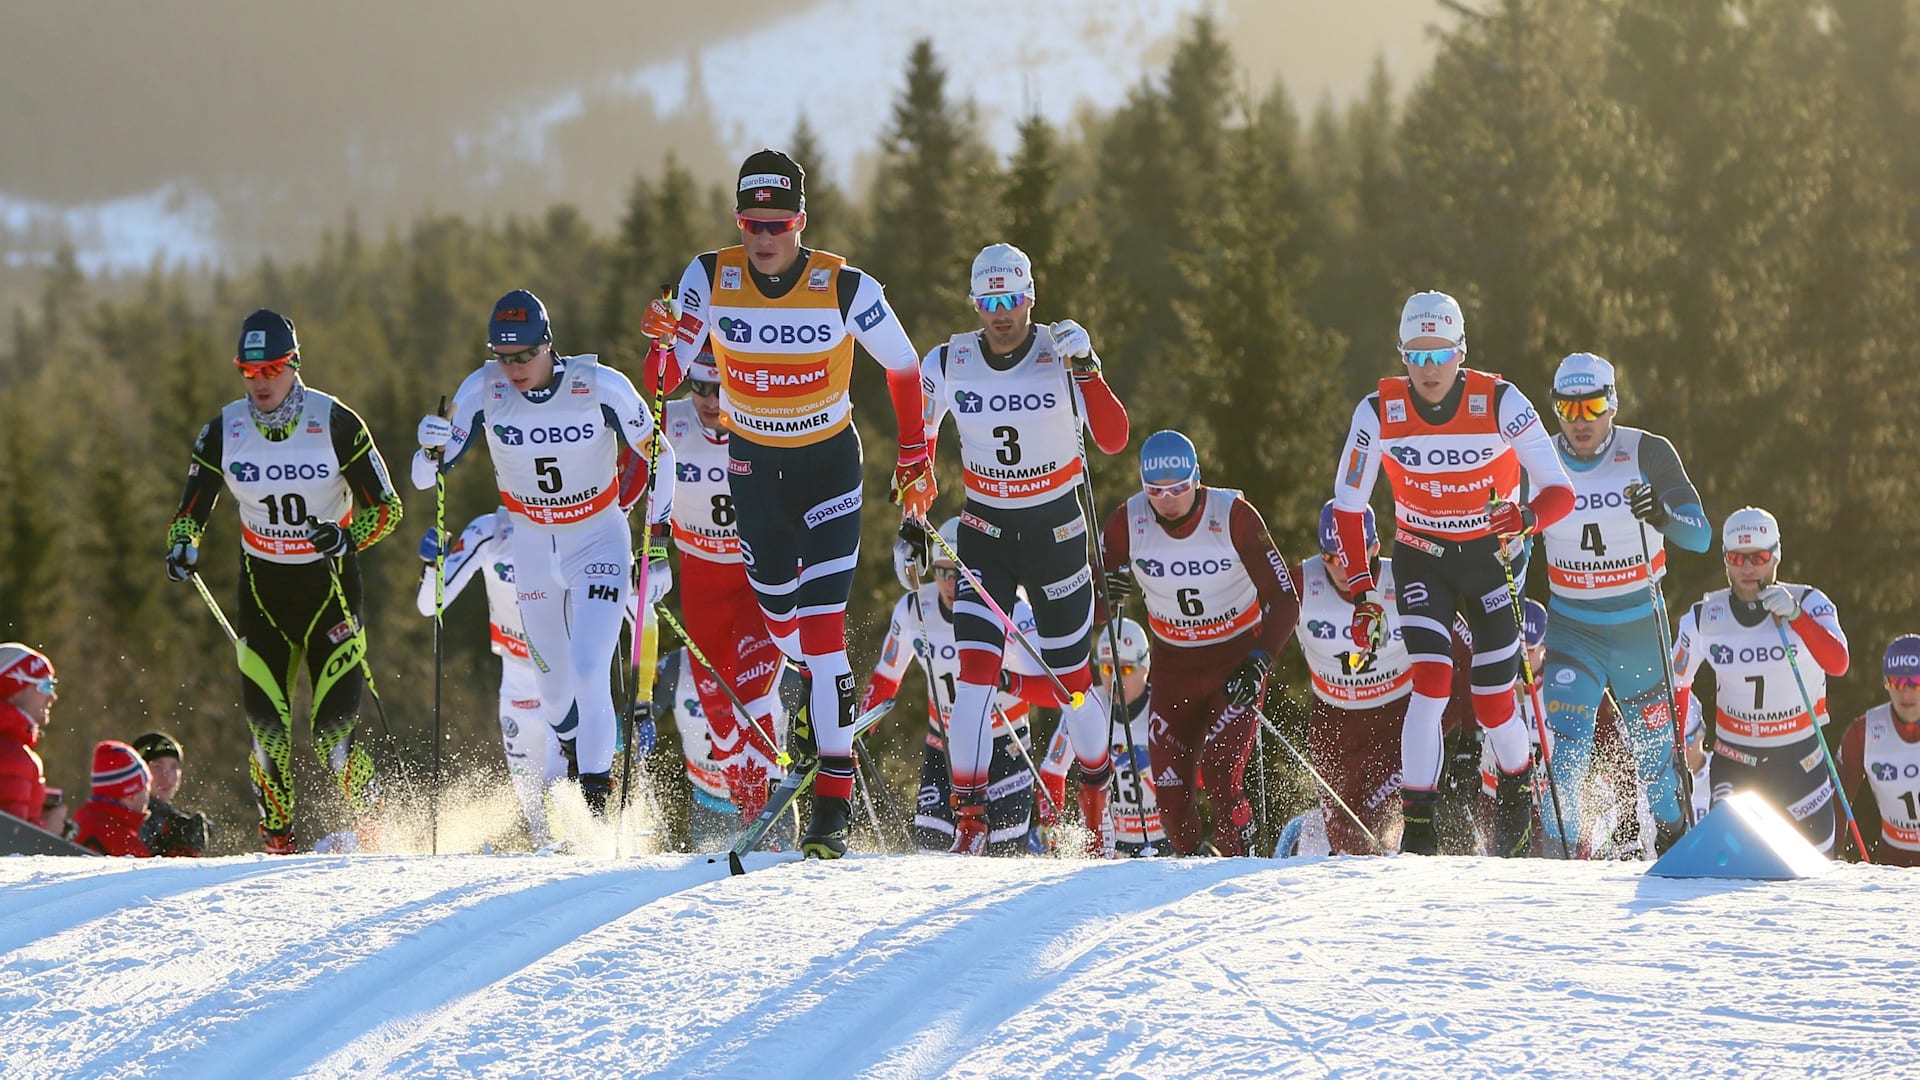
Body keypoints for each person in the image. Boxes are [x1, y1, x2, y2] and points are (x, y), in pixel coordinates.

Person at [645, 148, 932, 858]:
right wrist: (659, 343)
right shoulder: (710, 276)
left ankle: (833, 804)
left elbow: (904, 366)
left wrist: (915, 455)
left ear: (801, 220)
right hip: (752, 467)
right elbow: (667, 375)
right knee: (783, 630)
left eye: (776, 223)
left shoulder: (845, 285)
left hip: (828, 468)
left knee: (823, 630)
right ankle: (811, 703)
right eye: (751, 223)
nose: (763, 238)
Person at [1326, 290, 1574, 856]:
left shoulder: (1501, 400)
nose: (1429, 368)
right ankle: (1419, 827)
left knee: (1492, 699)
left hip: (1492, 558)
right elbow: (1347, 505)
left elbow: (1562, 491)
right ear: (1401, 355)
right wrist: (1364, 591)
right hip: (1422, 554)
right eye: (1416, 354)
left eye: (1440, 353)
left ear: (1461, 352)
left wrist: (1527, 518)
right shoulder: (1378, 411)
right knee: (1432, 681)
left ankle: (1515, 783)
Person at [413, 289, 673, 818]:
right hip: (530, 540)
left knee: (588, 665)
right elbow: (425, 476)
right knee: (552, 686)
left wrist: (659, 539)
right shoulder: (482, 389)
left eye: (525, 356)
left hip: (596, 536)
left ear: (549, 345)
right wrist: (428, 446)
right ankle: (577, 756)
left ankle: (596, 808)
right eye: (504, 357)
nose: (514, 369)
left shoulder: (599, 386)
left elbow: (660, 455)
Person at [912, 242, 1130, 855]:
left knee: (1073, 683)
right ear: (975, 303)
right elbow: (920, 444)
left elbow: (1113, 439)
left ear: (1030, 298)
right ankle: (971, 825)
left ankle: (1095, 809)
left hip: (1055, 534)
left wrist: (1088, 365)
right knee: (975, 677)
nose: (1001, 313)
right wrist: (915, 501)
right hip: (985, 534)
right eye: (990, 301)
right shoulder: (949, 360)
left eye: (1011, 299)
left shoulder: (1058, 353)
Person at [166, 310, 404, 854]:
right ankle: (278, 845)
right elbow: (191, 511)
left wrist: (348, 538)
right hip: (263, 596)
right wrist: (184, 543)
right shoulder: (224, 429)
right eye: (249, 372)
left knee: (332, 737)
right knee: (267, 733)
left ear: (294, 365)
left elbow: (388, 508)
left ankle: (377, 833)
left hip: (330, 593)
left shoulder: (336, 422)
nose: (261, 382)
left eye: (272, 369)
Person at [1535, 353, 1710, 858]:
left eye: (1592, 407)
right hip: (1574, 630)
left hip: (1638, 628)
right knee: (1565, 754)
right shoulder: (1539, 458)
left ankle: (1676, 845)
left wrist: (1662, 514)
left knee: (1656, 765)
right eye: (1568, 409)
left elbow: (1700, 536)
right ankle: (1554, 863)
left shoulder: (1646, 451)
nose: (1580, 422)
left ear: (1612, 404)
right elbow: (1518, 539)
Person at [1098, 430, 1301, 857]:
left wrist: (1260, 660)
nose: (1167, 500)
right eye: (1155, 490)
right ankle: (1189, 872)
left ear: (1198, 479)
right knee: (1168, 798)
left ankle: (1240, 867)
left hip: (1234, 661)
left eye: (1179, 488)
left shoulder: (1233, 515)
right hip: (1173, 668)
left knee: (1221, 774)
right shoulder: (1127, 521)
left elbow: (1285, 599)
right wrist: (1107, 593)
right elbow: (1094, 606)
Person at [656, 345, 791, 824]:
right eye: (700, 388)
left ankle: (772, 816)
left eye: (723, 389)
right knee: (718, 714)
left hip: (762, 577)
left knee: (753, 698)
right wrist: (647, 549)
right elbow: (625, 481)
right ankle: (750, 812)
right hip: (701, 579)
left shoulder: (767, 419)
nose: (711, 401)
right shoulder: (666, 422)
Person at [1295, 503, 1473, 855]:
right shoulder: (1301, 583)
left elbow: (1466, 648)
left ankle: (1397, 891)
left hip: (1396, 719)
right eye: (1333, 558)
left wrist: (1469, 731)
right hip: (1334, 724)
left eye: (1355, 556)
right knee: (1343, 837)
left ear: (1375, 548)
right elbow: (1258, 636)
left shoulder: (1404, 579)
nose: (1345, 569)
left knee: (1373, 820)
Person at [1672, 507, 1850, 853]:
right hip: (1737, 761)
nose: (1748, 568)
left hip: (1800, 762)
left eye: (1759, 556)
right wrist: (1677, 750)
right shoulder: (1703, 616)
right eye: (1737, 558)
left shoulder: (1809, 602)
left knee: (1816, 871)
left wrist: (1797, 617)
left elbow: (1838, 662)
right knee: (1730, 866)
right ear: (1725, 559)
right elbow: (1678, 685)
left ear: (1776, 556)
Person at [862, 517, 1041, 855]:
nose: (948, 582)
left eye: (957, 573)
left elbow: (1046, 683)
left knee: (1002, 858)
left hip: (1006, 745)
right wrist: (860, 726)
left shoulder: (1011, 609)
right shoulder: (915, 608)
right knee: (932, 850)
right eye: (941, 571)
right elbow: (887, 675)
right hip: (942, 746)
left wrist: (1006, 678)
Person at [414, 507, 570, 844]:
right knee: (530, 796)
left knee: (558, 786)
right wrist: (432, 566)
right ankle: (553, 867)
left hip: (563, 675)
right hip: (514, 676)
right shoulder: (491, 528)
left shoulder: (572, 522)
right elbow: (430, 604)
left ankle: (577, 858)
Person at [1039, 616, 1167, 857]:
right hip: (1107, 847)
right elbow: (1051, 771)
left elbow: (1198, 775)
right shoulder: (1085, 707)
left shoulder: (1163, 708)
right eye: (1107, 668)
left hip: (1161, 843)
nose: (1115, 678)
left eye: (1125, 668)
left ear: (1145, 668)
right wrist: (1051, 828)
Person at [1837, 635, 1920, 866]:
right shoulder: (1864, 731)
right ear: (1886, 683)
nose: (1906, 693)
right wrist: (1835, 854)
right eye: (1897, 683)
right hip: (1894, 865)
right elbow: (1838, 798)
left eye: (1915, 681)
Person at [131, 732, 212, 857]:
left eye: (174, 767)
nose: (167, 777)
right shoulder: (124, 817)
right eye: (156, 767)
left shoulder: (175, 821)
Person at [0, 643, 54, 829]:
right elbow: (13, 842)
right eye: (46, 686)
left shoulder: (14, 749)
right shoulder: (12, 756)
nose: (52, 697)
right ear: (15, 690)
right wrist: (50, 832)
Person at [72, 740, 153, 858]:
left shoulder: (79, 822)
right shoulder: (124, 843)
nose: (148, 798)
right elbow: (154, 876)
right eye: (146, 788)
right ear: (131, 795)